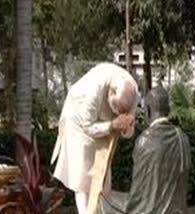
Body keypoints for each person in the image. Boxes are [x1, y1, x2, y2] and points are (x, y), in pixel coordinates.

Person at [50, 62, 138, 214]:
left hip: (102, 121)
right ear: (111, 93)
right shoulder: (92, 90)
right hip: (78, 122)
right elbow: (88, 126)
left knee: (103, 175)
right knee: (82, 176)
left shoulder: (132, 90)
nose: (119, 113)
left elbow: (129, 128)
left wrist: (126, 128)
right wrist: (111, 126)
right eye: (116, 110)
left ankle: (100, 210)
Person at [98, 84, 191, 214]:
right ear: (168, 110)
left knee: (101, 199)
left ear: (147, 110)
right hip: (177, 211)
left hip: (147, 210)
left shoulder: (144, 141)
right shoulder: (182, 138)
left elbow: (138, 194)